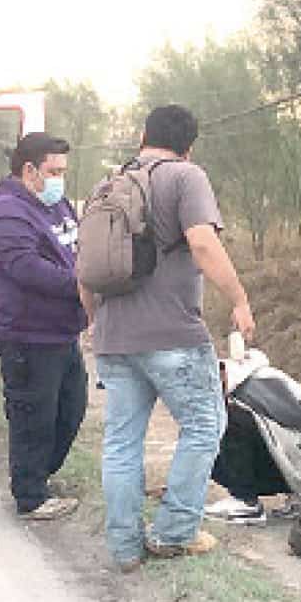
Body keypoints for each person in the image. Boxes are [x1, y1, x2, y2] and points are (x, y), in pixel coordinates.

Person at [82, 105, 256, 571]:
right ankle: (174, 532)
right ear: (189, 144)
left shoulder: (107, 185)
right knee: (204, 425)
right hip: (172, 334)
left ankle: (123, 548)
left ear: (143, 135)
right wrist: (238, 299)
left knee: (121, 441)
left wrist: (96, 320)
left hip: (115, 338)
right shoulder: (185, 176)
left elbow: (86, 267)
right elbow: (202, 243)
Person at [0, 132, 88, 520]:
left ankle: (40, 475)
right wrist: (82, 285)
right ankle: (30, 495)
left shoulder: (56, 205)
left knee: (71, 407)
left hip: (62, 331)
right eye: (54, 171)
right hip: (27, 334)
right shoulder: (7, 213)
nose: (60, 179)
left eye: (63, 171)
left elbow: (78, 247)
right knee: (33, 414)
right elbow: (27, 268)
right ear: (30, 170)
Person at [206, 350, 301, 524]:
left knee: (229, 421)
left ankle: (245, 502)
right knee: (210, 430)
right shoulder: (247, 382)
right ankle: (300, 497)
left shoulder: (255, 385)